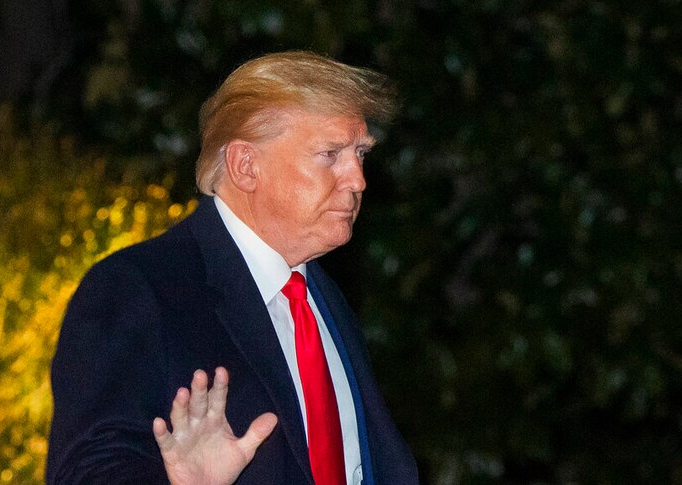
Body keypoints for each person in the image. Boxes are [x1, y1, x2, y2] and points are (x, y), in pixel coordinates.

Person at [46, 51, 419, 485]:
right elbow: (85, 473)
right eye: (330, 154)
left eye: (360, 154)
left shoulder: (322, 297)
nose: (357, 179)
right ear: (245, 166)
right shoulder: (135, 289)